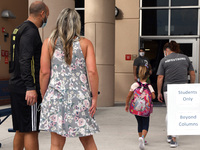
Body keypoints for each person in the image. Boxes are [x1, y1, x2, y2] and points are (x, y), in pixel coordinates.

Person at [39, 8, 100, 150]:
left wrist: (44, 95)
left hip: (56, 95)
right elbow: (92, 72)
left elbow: (44, 72)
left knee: (56, 143)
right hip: (79, 98)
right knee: (88, 140)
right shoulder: (85, 43)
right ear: (77, 23)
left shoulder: (49, 43)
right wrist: (94, 98)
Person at [8, 1, 49, 150]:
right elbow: (25, 59)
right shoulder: (31, 31)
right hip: (27, 89)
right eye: (47, 16)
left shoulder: (18, 29)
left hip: (16, 85)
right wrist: (30, 87)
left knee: (20, 129)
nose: (46, 19)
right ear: (42, 13)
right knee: (31, 130)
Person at [157, 41, 195, 148]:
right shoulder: (185, 58)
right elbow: (192, 74)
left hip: (168, 89)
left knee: (170, 111)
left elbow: (160, 77)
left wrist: (159, 92)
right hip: (181, 89)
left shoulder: (164, 60)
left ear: (167, 50)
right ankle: (173, 137)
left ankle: (171, 137)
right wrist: (190, 87)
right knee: (177, 112)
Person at [125, 66, 156, 150]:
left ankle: (141, 139)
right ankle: (143, 138)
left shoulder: (135, 85)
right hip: (145, 109)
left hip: (136, 108)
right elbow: (153, 96)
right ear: (148, 75)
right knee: (145, 123)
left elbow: (129, 96)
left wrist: (127, 104)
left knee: (139, 123)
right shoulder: (149, 86)